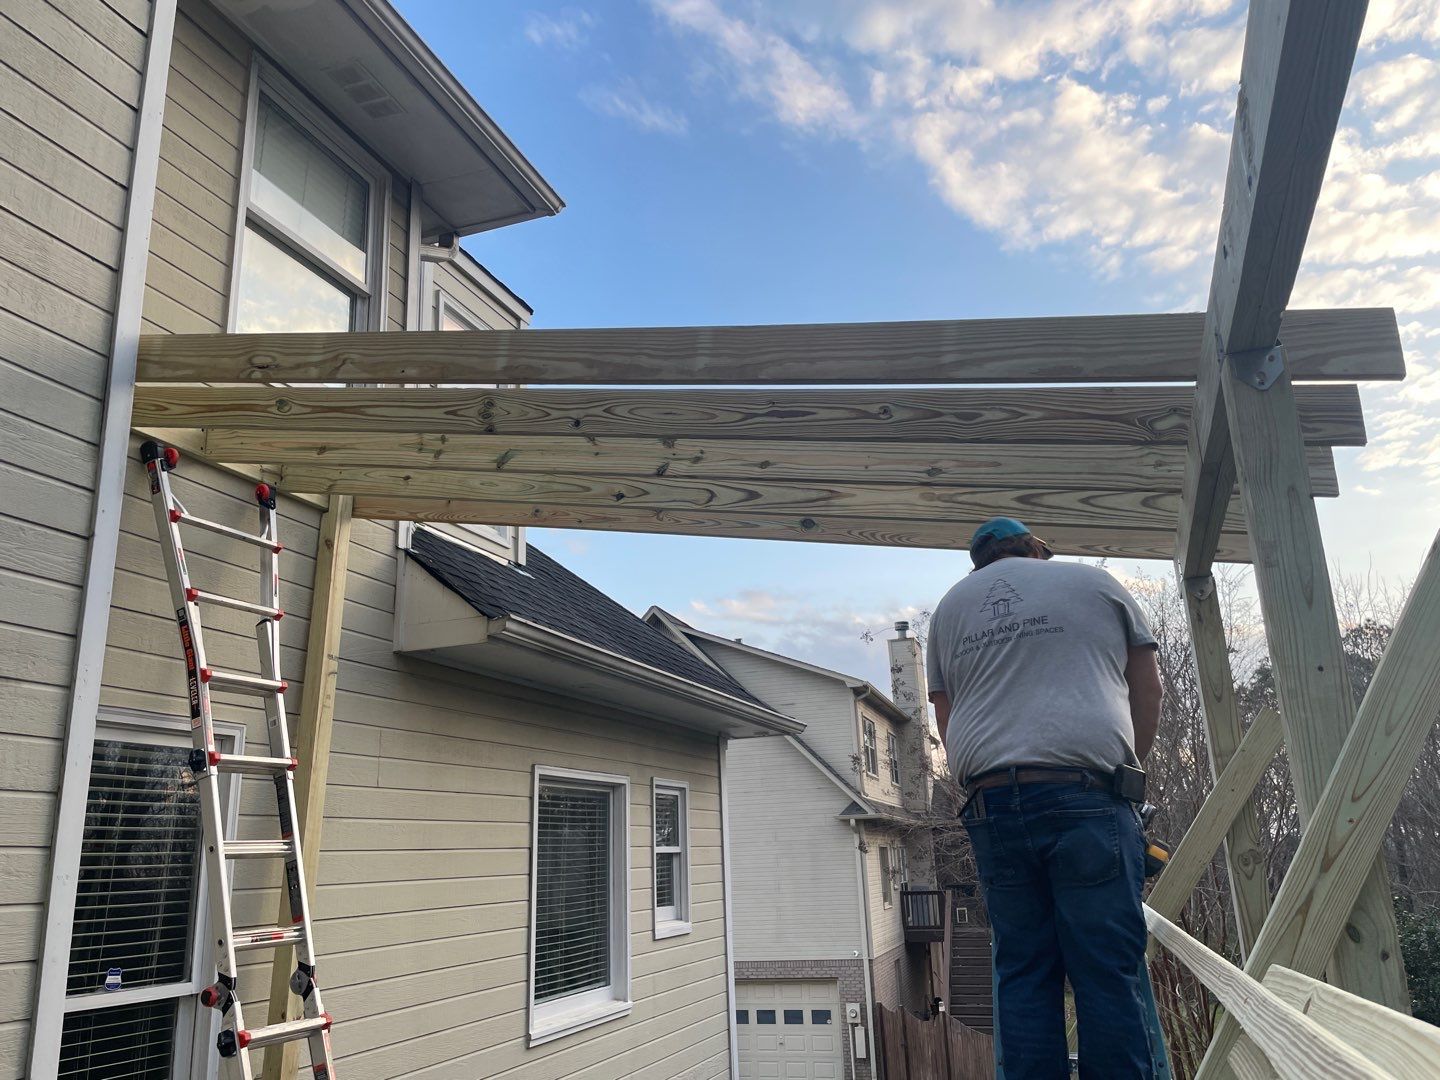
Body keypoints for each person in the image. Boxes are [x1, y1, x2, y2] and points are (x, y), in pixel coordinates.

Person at [926, 517, 1164, 1079]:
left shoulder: (950, 609)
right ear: (1036, 550)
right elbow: (1146, 684)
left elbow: (945, 715)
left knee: (1025, 971)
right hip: (1088, 797)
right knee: (1105, 970)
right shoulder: (1095, 584)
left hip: (993, 807)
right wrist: (1128, 774)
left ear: (978, 562)